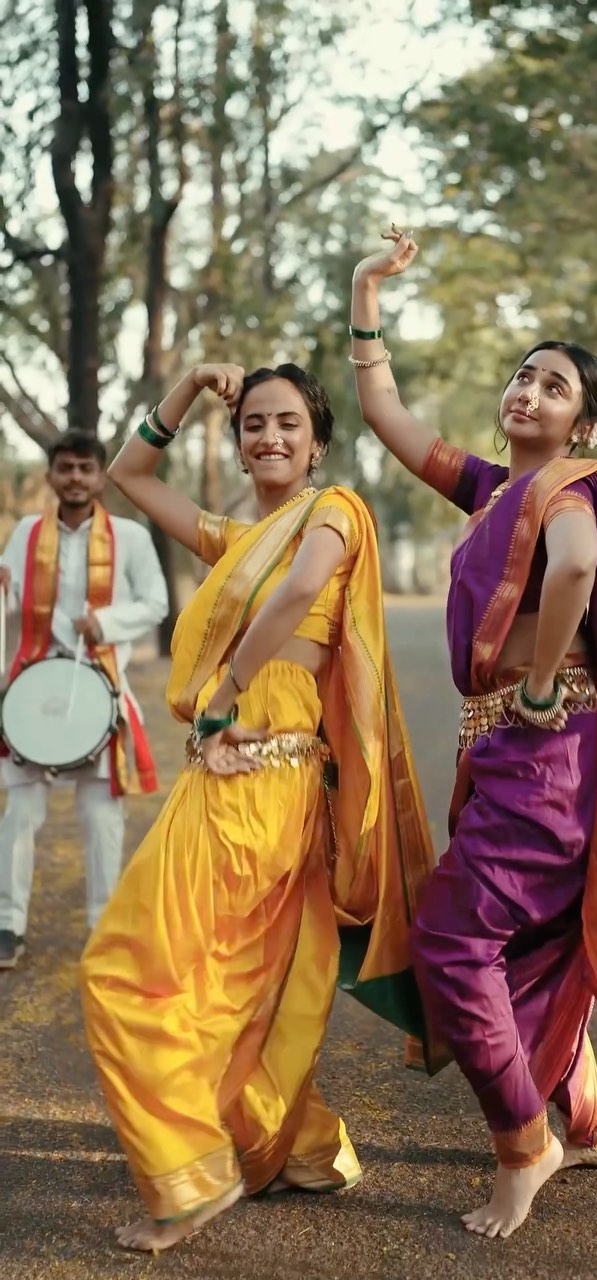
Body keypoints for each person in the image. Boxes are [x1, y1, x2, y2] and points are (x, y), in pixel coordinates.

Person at [349, 226, 597, 1239]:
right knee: (528, 943)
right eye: (522, 378)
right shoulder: (495, 488)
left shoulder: (569, 489)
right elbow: (386, 412)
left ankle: (522, 1145)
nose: (528, 393)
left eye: (554, 387)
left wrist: (538, 679)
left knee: (453, 937)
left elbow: (577, 565)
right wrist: (365, 292)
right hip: (506, 753)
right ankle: (589, 1121)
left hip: (550, 750)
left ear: (583, 424)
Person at [79, 360, 437, 1252]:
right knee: (227, 984)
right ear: (237, 447)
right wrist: (193, 387)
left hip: (265, 788)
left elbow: (297, 592)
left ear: (318, 441)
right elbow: (129, 475)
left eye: (287, 423)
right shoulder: (241, 539)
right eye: (253, 426)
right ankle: (283, 1148)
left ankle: (187, 1180)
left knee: (127, 970)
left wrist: (225, 688)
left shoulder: (334, 512)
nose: (268, 437)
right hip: (221, 784)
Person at [0, 431, 168, 969]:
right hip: (32, 691)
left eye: (85, 469)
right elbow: (11, 600)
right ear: (50, 476)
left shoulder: (131, 537)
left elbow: (157, 603)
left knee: (101, 814)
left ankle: (102, 922)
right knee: (20, 811)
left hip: (100, 686)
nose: (75, 478)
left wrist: (106, 622)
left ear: (100, 478)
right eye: (65, 469)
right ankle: (8, 924)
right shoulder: (26, 533)